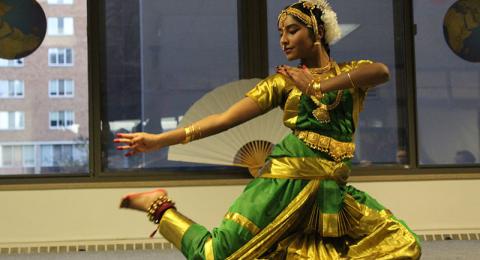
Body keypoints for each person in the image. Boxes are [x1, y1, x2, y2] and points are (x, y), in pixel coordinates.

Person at [115, 1, 422, 259]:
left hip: (331, 190)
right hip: (283, 184)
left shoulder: (348, 74)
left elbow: (380, 72)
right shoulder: (283, 82)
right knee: (214, 254)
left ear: (316, 31)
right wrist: (159, 140)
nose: (283, 40)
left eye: (292, 30)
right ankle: (158, 206)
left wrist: (318, 85)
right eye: (280, 34)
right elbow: (223, 119)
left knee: (402, 245)